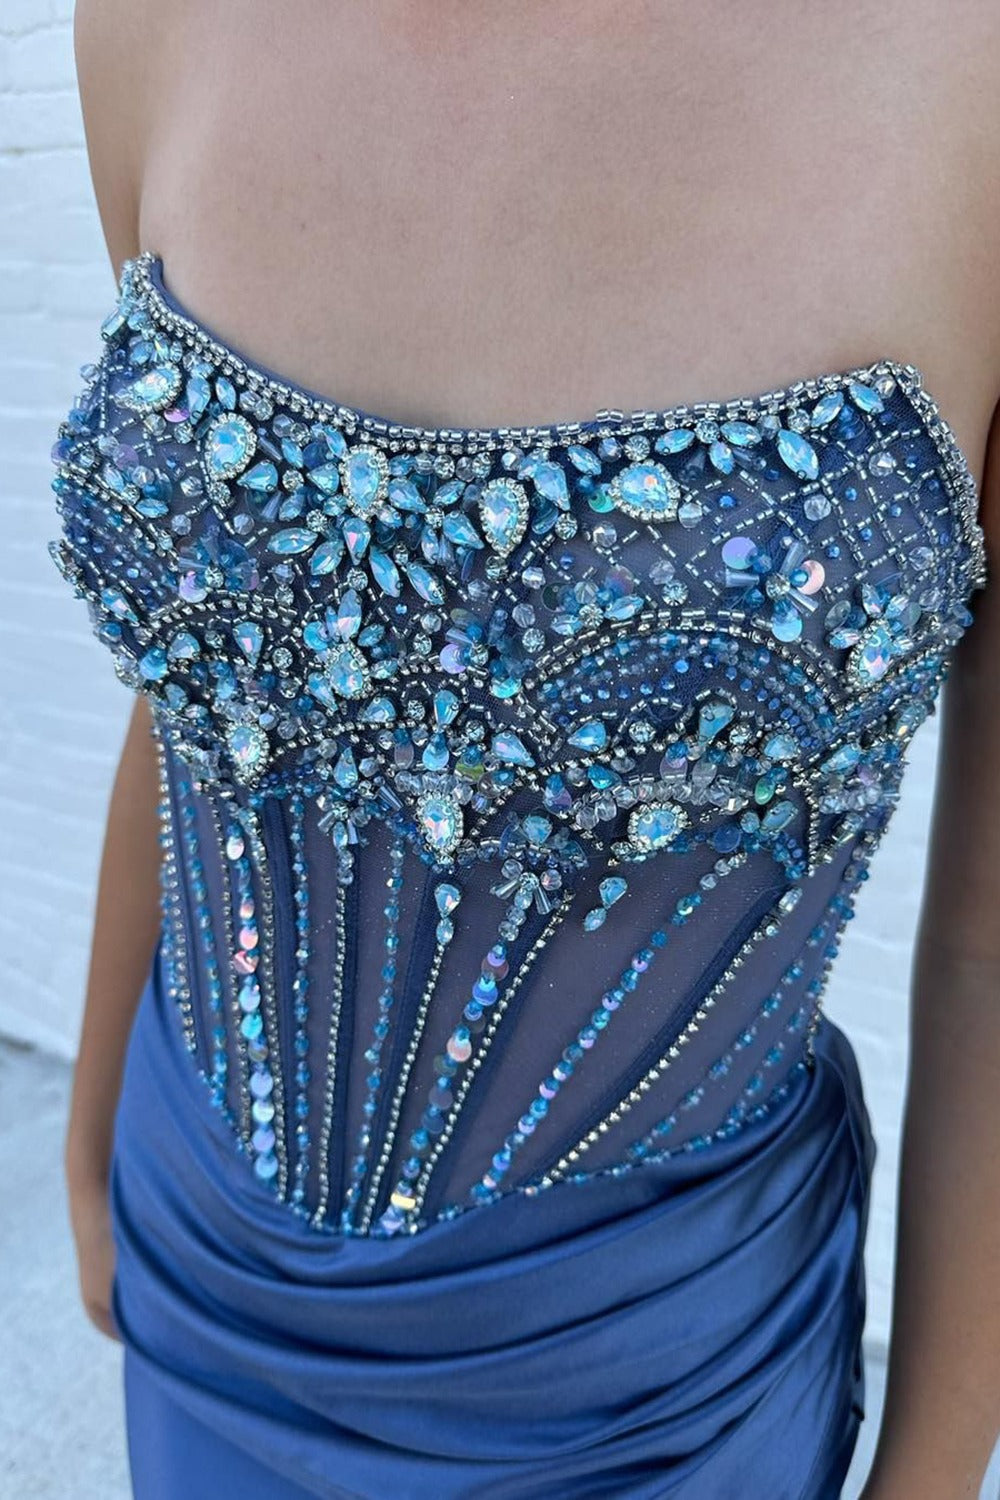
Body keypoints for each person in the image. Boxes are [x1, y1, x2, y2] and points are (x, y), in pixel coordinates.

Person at [58, 2, 1000, 1496]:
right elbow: (203, 682)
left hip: (649, 1396)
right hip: (202, 1266)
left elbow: (988, 949)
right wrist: (91, 1128)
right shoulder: (150, 21)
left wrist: (933, 1473)